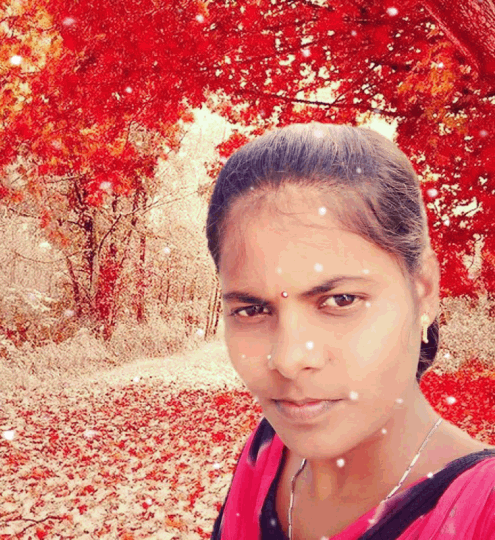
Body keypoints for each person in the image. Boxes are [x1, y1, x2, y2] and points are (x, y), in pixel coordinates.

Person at [204, 123, 495, 540]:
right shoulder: (266, 451)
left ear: (424, 290)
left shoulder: (480, 514)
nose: (288, 359)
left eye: (340, 300)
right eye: (252, 310)